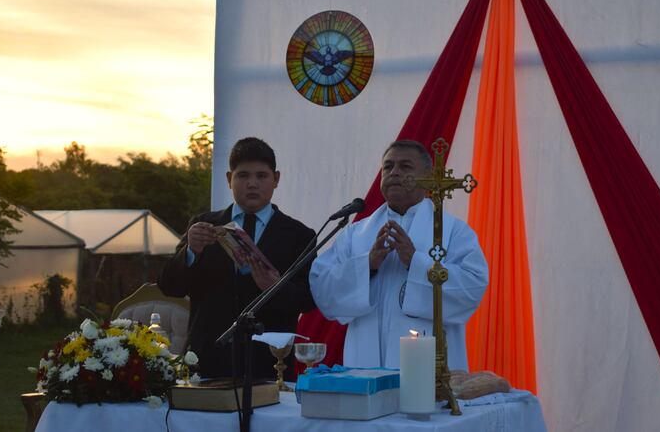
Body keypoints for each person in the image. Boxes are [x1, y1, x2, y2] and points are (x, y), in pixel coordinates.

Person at [309, 140, 489, 370]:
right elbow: (323, 288)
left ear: (427, 177)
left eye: (405, 166)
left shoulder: (453, 231)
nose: (394, 172)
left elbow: (472, 289)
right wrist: (367, 265)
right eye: (388, 166)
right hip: (365, 365)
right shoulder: (355, 233)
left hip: (428, 369)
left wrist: (415, 262)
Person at [159, 137, 315, 379]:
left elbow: (308, 300)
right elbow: (169, 286)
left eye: (261, 176)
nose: (252, 184)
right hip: (208, 361)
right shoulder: (204, 226)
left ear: (276, 179)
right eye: (243, 176)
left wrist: (275, 287)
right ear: (229, 179)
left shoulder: (299, 235)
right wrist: (191, 251)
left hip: (270, 365)